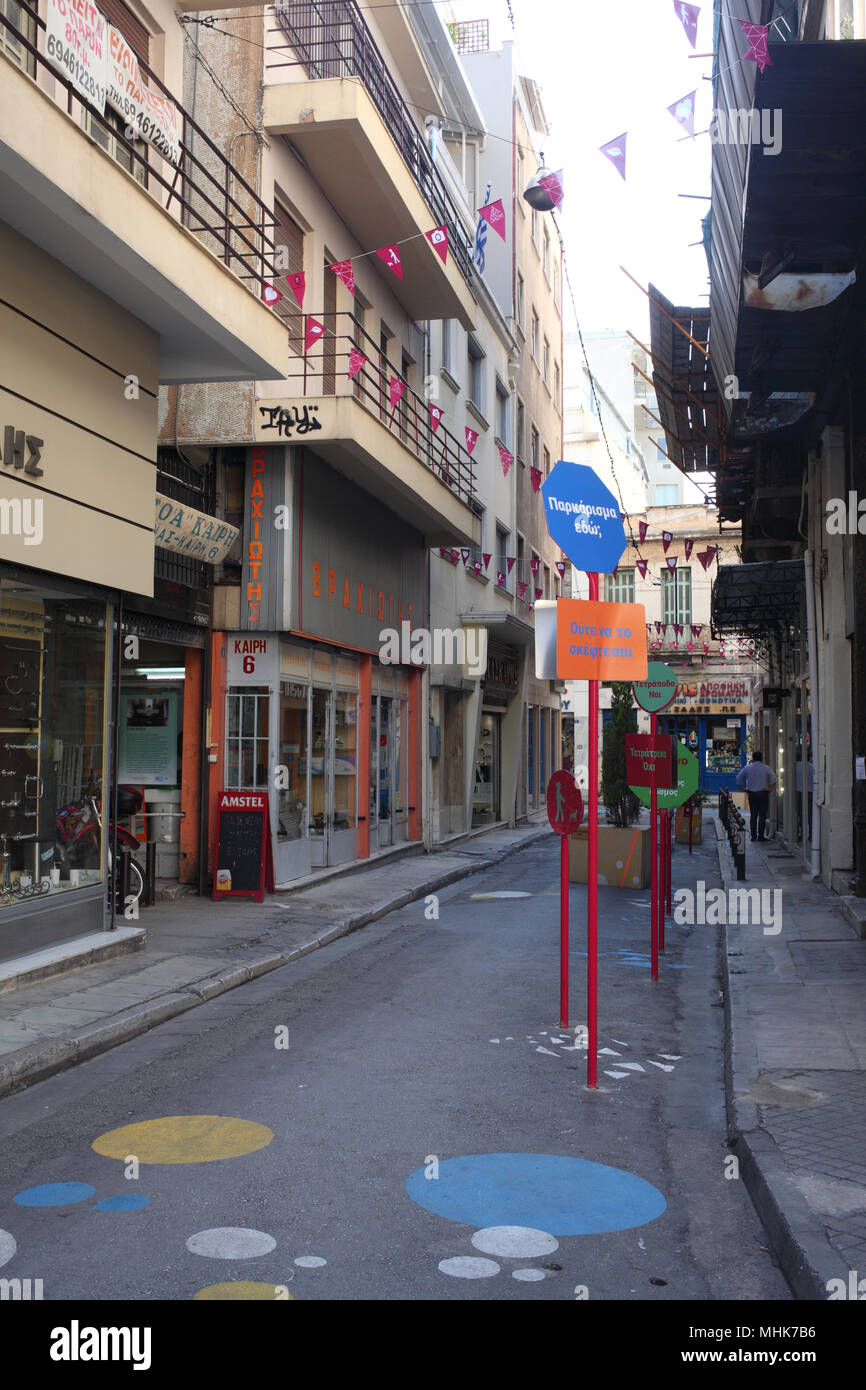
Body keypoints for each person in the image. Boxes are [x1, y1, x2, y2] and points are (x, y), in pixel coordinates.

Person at [736, 751, 777, 842]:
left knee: (753, 815)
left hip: (752, 793)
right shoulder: (766, 768)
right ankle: (761, 836)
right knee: (762, 815)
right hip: (763, 793)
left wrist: (744, 788)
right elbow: (773, 778)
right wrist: (770, 789)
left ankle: (753, 836)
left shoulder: (748, 768)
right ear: (761, 758)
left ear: (753, 758)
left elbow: (738, 777)